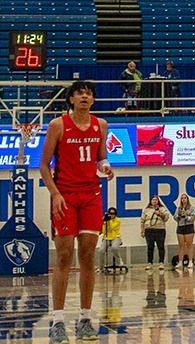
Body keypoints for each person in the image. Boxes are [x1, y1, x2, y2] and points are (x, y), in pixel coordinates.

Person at [43, 78, 114, 338]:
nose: (84, 97)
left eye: (88, 94)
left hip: (91, 195)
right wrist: (55, 194)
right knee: (63, 256)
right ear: (71, 99)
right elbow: (43, 167)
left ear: (93, 99)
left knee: (87, 256)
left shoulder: (101, 125)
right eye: (79, 93)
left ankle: (85, 318)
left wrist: (105, 167)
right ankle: (57, 321)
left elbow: (100, 156)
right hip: (65, 196)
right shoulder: (58, 125)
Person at [140, 197, 170, 267]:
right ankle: (150, 263)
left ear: (158, 201)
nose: (155, 201)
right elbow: (142, 221)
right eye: (153, 200)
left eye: (156, 200)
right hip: (149, 230)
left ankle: (161, 262)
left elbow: (166, 218)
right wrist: (142, 231)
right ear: (151, 201)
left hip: (160, 230)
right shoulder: (146, 210)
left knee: (161, 246)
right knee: (150, 247)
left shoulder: (162, 209)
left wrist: (160, 214)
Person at [174, 194, 195, 273]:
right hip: (180, 227)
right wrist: (178, 216)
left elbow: (193, 217)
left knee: (189, 245)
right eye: (182, 198)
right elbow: (174, 217)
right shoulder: (178, 208)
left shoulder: (191, 208)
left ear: (187, 199)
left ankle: (190, 261)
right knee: (181, 245)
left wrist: (187, 217)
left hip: (189, 227)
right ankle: (180, 262)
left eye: (185, 198)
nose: (183, 199)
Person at [101, 206, 126, 274]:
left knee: (114, 248)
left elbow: (112, 228)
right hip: (106, 237)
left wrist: (108, 221)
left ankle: (119, 261)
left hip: (116, 237)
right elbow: (103, 231)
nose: (112, 215)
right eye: (110, 213)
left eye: (113, 213)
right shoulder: (105, 220)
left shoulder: (117, 220)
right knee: (101, 250)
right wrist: (103, 221)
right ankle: (101, 267)